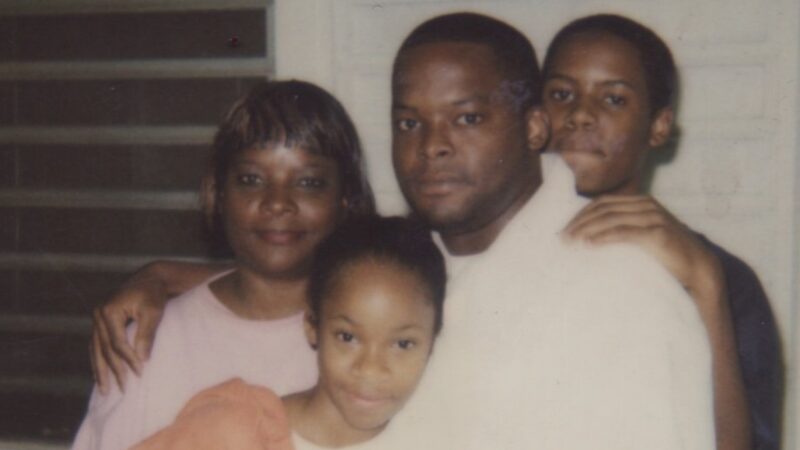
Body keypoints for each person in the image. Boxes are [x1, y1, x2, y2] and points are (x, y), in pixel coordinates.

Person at [88, 13, 715, 449]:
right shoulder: (431, 261)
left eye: (466, 117)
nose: (433, 146)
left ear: (533, 129)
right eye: (409, 122)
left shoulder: (619, 286)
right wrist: (162, 278)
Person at [71, 80, 376, 450]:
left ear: (346, 199)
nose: (277, 202)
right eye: (251, 179)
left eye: (309, 182)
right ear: (218, 193)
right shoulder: (149, 344)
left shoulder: (376, 342)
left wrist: (162, 274)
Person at [541, 14, 782, 449]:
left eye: (613, 99)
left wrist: (706, 284)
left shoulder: (723, 277)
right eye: (561, 94)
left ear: (659, 126)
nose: (579, 114)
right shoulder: (495, 244)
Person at [129, 216, 447, 450]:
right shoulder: (235, 431)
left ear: (431, 344)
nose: (370, 369)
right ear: (312, 325)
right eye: (348, 337)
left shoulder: (436, 439)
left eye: (403, 344)